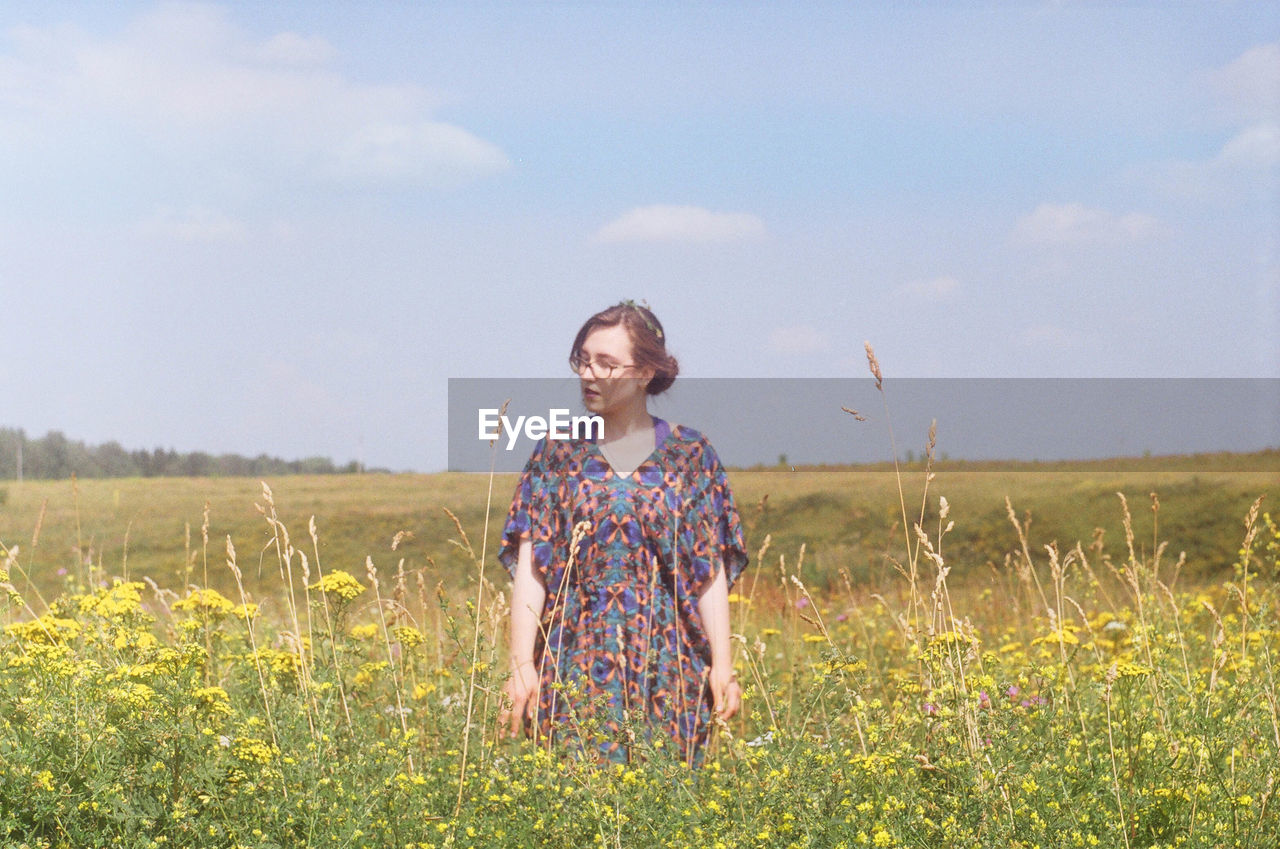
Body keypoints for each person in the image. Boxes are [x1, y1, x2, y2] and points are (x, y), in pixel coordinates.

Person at [496, 301, 749, 767]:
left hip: (670, 664)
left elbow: (708, 569)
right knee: (576, 815)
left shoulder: (691, 455)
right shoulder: (557, 453)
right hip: (572, 659)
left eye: (606, 363)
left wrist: (724, 666)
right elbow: (532, 567)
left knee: (664, 812)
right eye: (583, 359)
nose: (589, 373)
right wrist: (521, 664)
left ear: (645, 372)